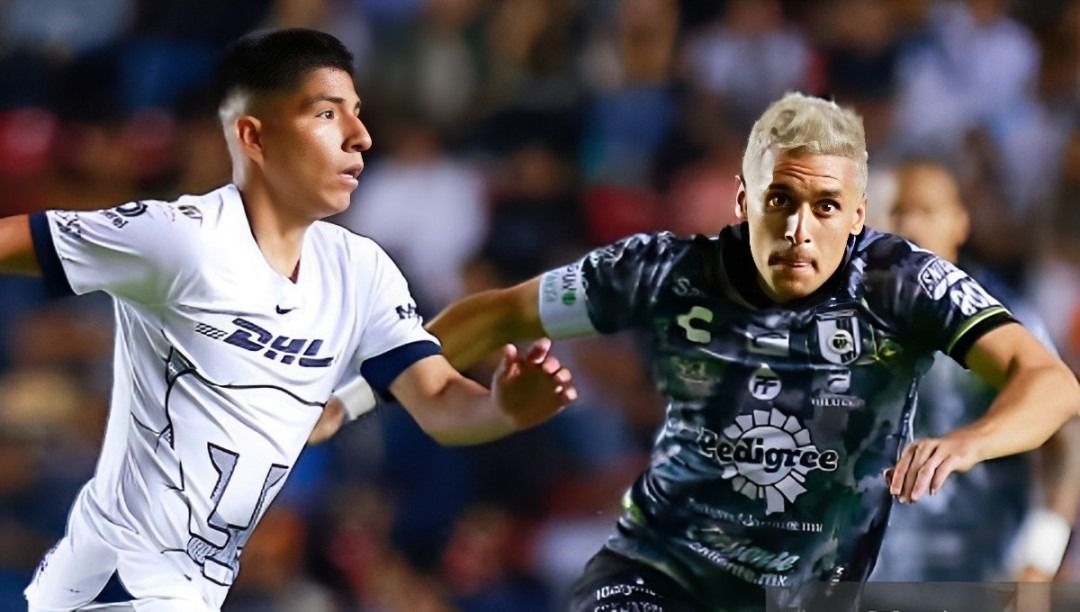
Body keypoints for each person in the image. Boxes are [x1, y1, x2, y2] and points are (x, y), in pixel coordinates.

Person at [326, 92, 1080, 610]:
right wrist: (357, 398)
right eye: (780, 201)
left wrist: (968, 444)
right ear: (744, 200)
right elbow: (495, 316)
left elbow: (1049, 383)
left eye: (824, 208)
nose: (798, 229)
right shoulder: (663, 270)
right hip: (661, 572)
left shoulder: (902, 284)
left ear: (857, 216)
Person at [0, 28, 577, 612]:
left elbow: (442, 402)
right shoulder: (178, 238)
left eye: (358, 114)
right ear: (254, 136)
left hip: (202, 589)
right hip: (118, 585)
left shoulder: (361, 269)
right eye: (328, 114)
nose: (360, 136)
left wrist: (504, 406)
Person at [866, 161, 1080, 600]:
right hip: (875, 576)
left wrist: (1040, 558)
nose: (909, 225)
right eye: (899, 212)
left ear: (961, 222)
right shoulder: (854, 318)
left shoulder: (1001, 324)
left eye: (926, 210)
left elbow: (1066, 431)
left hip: (978, 573)